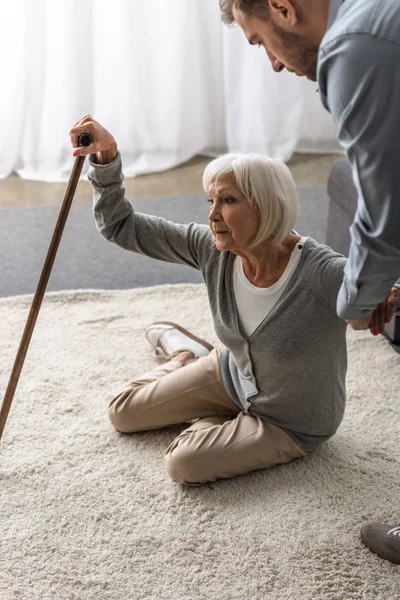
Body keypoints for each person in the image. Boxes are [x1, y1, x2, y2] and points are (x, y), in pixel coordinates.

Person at [69, 115, 399, 491]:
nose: (212, 216)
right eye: (211, 200)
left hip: (290, 422)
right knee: (122, 411)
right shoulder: (213, 250)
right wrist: (106, 158)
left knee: (183, 462)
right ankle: (188, 355)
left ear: (266, 205)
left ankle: (209, 401)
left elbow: (360, 313)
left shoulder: (320, 271)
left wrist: (389, 292)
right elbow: (121, 226)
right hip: (231, 373)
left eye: (227, 201)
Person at [218, 0, 400, 563]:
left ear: (282, 8)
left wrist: (353, 300)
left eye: (259, 42)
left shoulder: (353, 48)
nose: (272, 63)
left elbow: (384, 214)